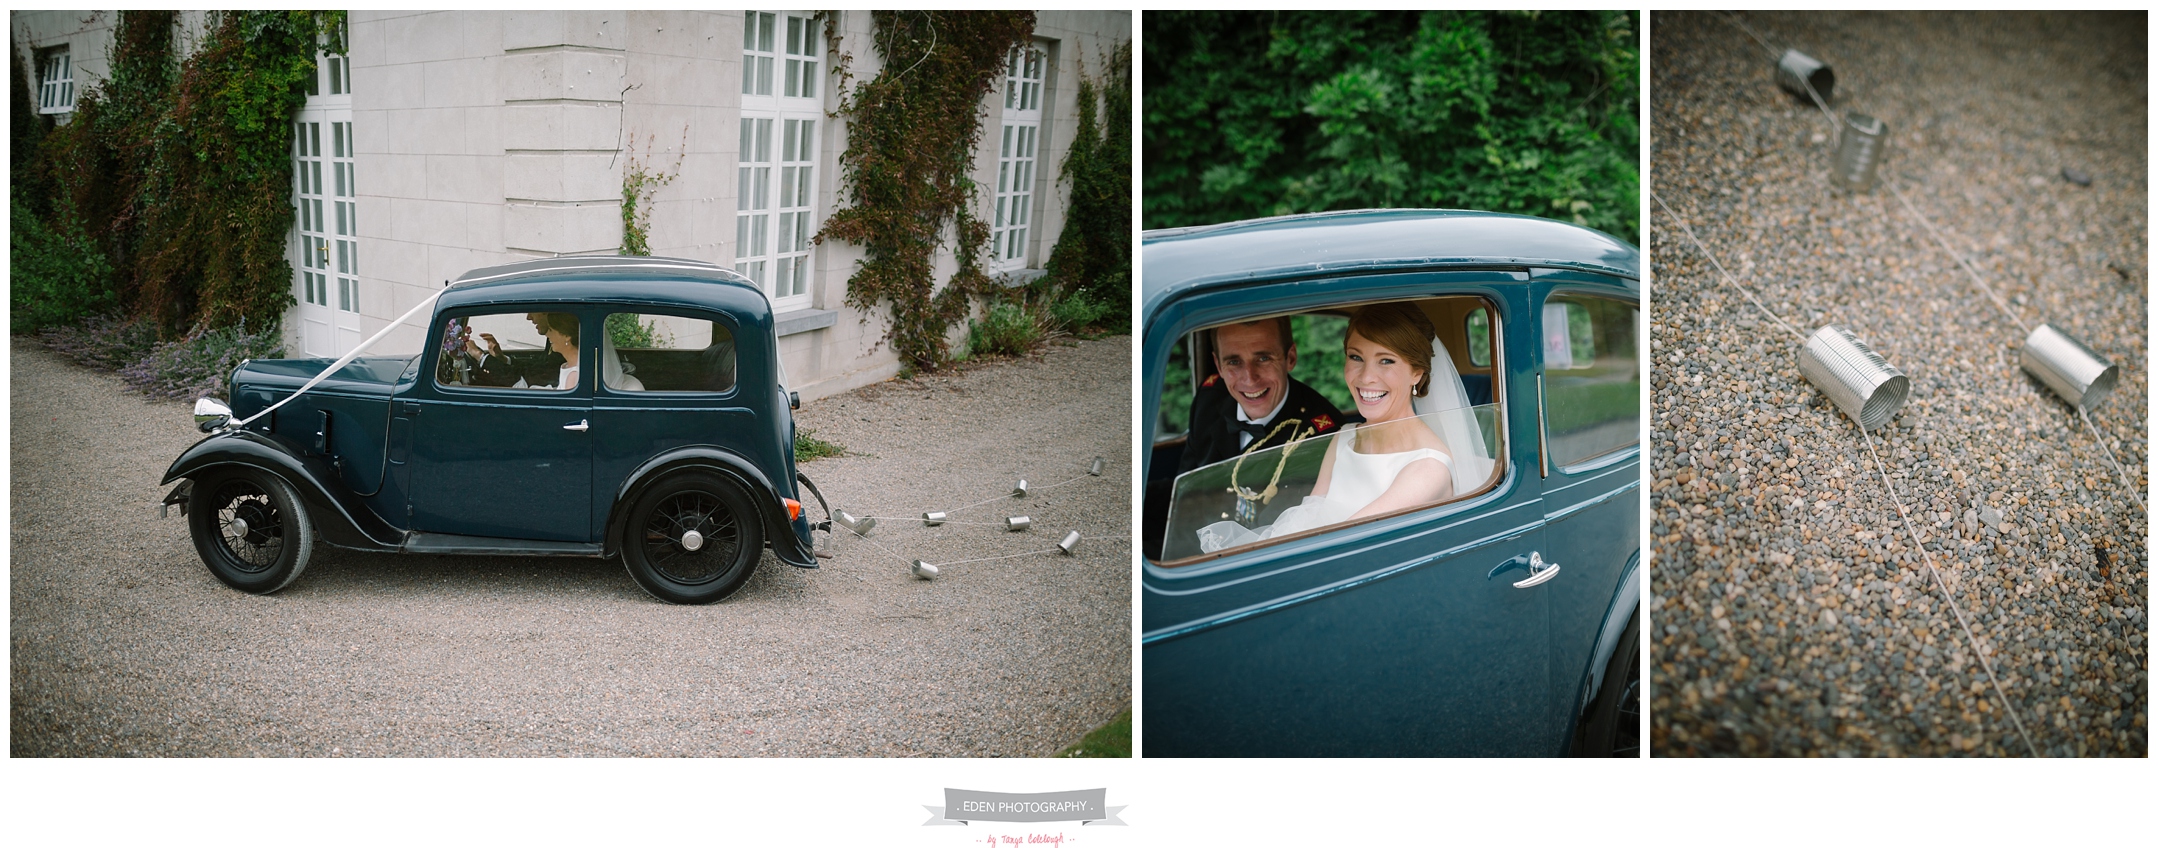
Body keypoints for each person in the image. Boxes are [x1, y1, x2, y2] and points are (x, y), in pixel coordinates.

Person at [1197, 302, 1487, 553]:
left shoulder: (1428, 468)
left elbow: (1344, 545)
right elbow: (1307, 515)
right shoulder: (1344, 436)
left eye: (1386, 360)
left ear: (1417, 373)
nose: (1366, 377)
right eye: (1356, 357)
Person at [1177, 317, 1342, 478]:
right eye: (1234, 362)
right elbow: (1184, 491)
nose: (1250, 379)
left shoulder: (1324, 437)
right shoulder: (1209, 399)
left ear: (1290, 358)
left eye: (1264, 359)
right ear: (1219, 366)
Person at [464, 312, 578, 389]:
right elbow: (537, 368)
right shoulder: (565, 361)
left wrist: (480, 356)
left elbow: (531, 380)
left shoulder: (573, 373)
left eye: (551, 330)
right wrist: (502, 359)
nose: (528, 317)